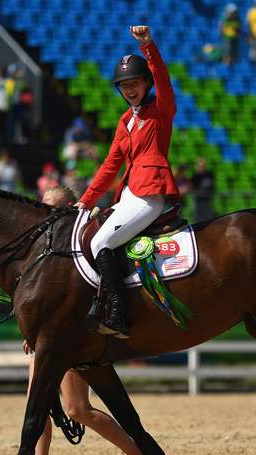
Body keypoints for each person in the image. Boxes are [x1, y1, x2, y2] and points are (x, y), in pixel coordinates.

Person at [21, 186, 156, 455]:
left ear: (71, 209)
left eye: (53, 210)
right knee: (35, 404)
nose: (46, 217)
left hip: (72, 339)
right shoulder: (49, 248)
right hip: (48, 339)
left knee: (77, 409)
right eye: (44, 210)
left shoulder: (87, 242)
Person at [72, 26, 180, 340]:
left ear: (145, 83)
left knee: (100, 243)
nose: (129, 90)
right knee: (94, 239)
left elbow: (163, 77)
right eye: (123, 85)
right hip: (128, 194)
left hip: (150, 193)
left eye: (134, 83)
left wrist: (148, 46)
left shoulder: (161, 109)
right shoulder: (124, 121)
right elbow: (111, 164)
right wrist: (87, 200)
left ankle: (118, 315)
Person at [191, 157, 215, 221]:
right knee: (198, 218)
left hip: (208, 199)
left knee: (208, 218)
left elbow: (212, 186)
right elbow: (193, 188)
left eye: (203, 165)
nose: (202, 167)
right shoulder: (195, 175)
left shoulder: (209, 174)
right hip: (198, 200)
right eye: (200, 166)